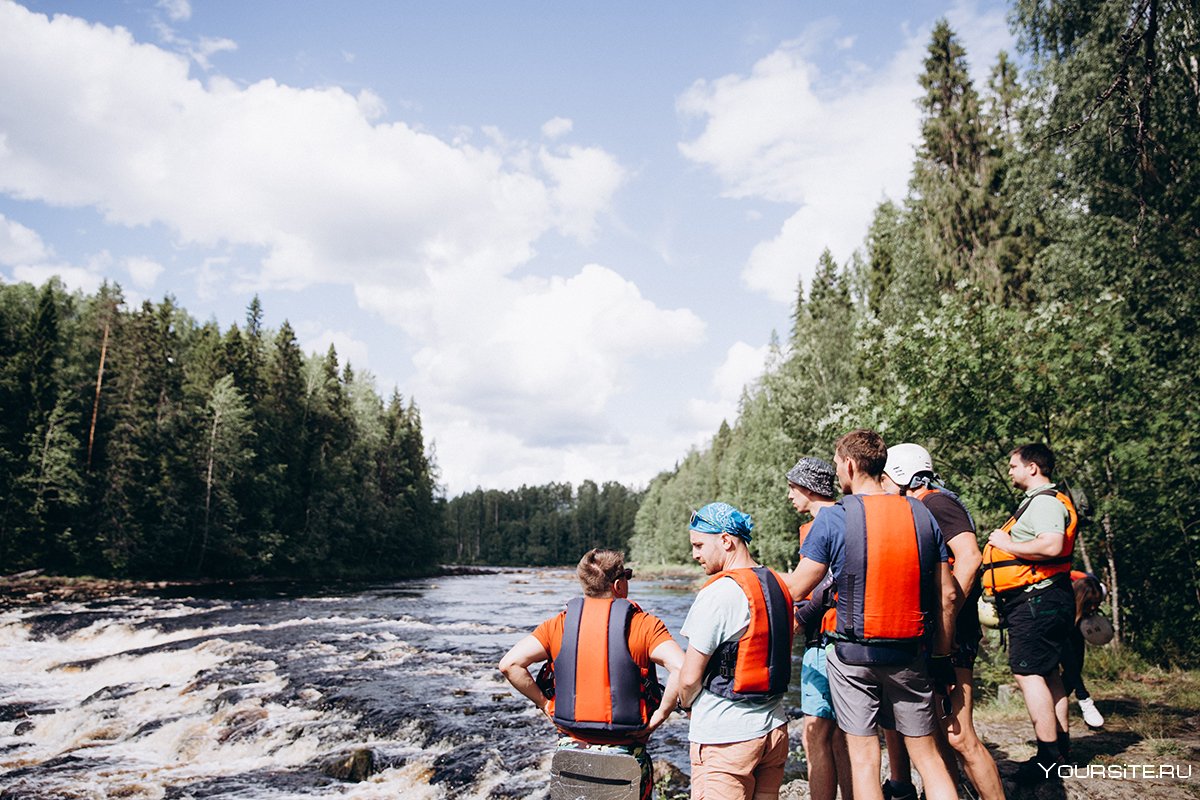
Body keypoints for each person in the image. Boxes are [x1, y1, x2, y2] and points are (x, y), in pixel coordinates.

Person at [783, 429, 960, 800]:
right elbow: (947, 595)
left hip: (852, 656)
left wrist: (751, 579)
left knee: (864, 759)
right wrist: (941, 659)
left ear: (849, 465)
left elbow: (798, 588)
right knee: (928, 758)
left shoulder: (833, 519)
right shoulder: (921, 513)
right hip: (911, 654)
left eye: (837, 464)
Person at [498, 548, 685, 800]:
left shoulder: (559, 624)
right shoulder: (645, 626)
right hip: (626, 754)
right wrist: (660, 716)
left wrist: (545, 705)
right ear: (619, 584)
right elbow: (681, 668)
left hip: (571, 755)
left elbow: (510, 664)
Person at [879, 444, 1004, 800]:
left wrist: (949, 611)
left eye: (885, 479)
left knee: (960, 735)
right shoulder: (921, 506)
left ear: (902, 477)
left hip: (952, 636)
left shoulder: (937, 503)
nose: (882, 486)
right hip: (936, 635)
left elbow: (969, 556)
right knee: (936, 734)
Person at [678, 502, 794, 800]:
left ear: (726, 540)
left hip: (726, 738)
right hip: (774, 732)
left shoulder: (719, 593)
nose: (695, 554)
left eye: (700, 544)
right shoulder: (778, 584)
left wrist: (685, 704)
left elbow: (690, 677)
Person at [982, 443, 1078, 782]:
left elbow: (1051, 545)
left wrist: (1006, 545)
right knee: (1048, 671)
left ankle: (1048, 757)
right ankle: (1060, 750)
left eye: (1013, 466)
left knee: (1028, 673)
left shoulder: (1045, 503)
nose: (1010, 471)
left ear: (1033, 468)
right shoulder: (1042, 502)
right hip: (1047, 599)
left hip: (1037, 601)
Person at [786, 457, 852, 800]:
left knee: (814, 733)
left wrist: (797, 617)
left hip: (826, 640)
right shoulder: (847, 515)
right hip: (847, 638)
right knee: (840, 732)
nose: (789, 495)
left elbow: (819, 585)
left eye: (793, 487)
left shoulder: (824, 523)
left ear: (810, 488)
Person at [1062, 570, 1105, 728]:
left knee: (1077, 662)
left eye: (1096, 603)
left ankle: (1060, 699)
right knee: (1068, 657)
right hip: (1057, 620)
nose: (1093, 607)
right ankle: (1083, 697)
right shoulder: (1064, 597)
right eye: (1089, 604)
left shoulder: (1094, 587)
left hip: (1077, 618)